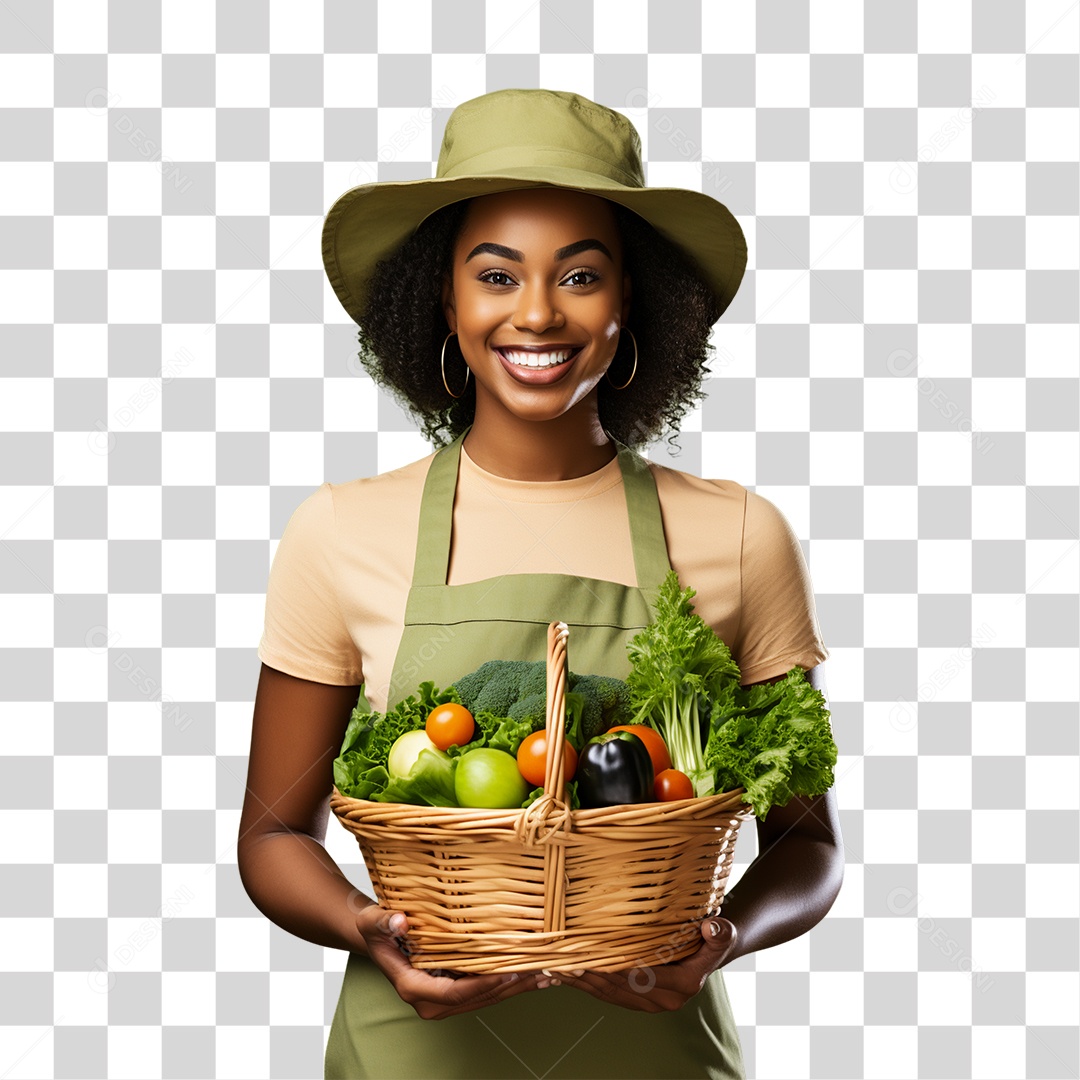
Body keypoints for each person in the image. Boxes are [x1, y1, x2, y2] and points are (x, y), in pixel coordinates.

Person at [239, 88, 843, 1080]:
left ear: (631, 298)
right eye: (496, 274)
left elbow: (809, 848)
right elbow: (270, 834)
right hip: (412, 1054)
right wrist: (366, 926)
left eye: (580, 275)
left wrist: (724, 938)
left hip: (658, 1051)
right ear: (443, 298)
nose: (535, 313)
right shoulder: (340, 531)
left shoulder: (739, 533)